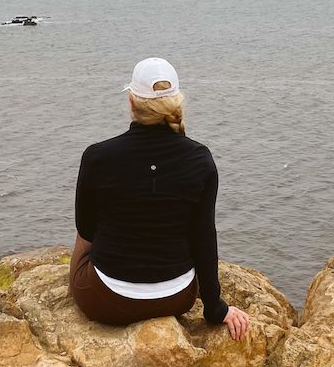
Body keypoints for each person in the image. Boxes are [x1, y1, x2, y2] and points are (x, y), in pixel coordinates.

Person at [68, 57, 250, 341]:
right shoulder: (200, 159)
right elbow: (204, 237)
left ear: (131, 101)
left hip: (105, 301)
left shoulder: (97, 157)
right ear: (177, 102)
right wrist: (215, 308)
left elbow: (86, 228)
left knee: (84, 236)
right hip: (175, 298)